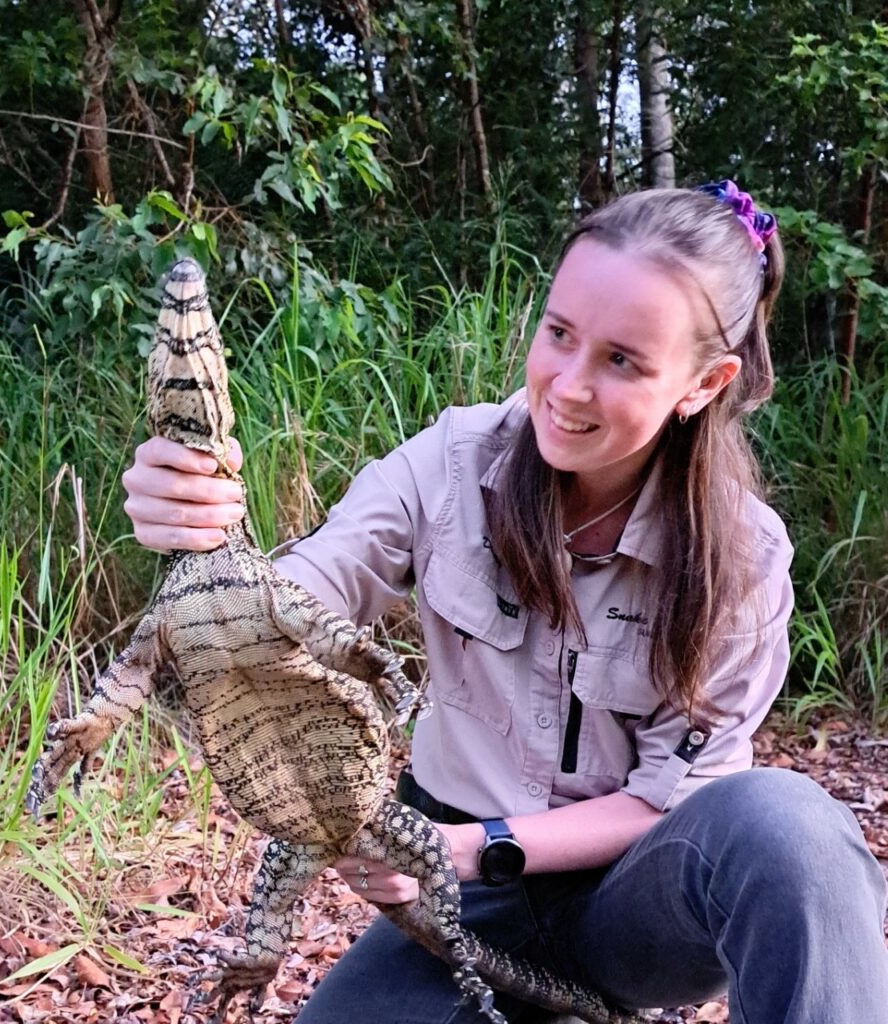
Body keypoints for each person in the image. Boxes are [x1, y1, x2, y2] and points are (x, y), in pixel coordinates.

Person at [121, 184, 888, 1023]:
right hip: (460, 909)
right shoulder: (452, 464)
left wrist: (466, 850)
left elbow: (669, 796)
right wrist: (200, 541)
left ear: (705, 383)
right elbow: (305, 589)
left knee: (790, 832)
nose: (568, 385)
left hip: (633, 901)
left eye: (623, 360)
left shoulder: (743, 553)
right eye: (559, 334)